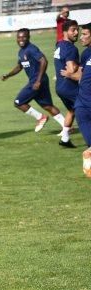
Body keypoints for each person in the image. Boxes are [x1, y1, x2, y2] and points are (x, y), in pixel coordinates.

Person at [2, 28, 66, 133]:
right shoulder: (21, 52)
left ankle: (40, 117)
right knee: (47, 106)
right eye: (19, 37)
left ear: (28, 37)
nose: (21, 39)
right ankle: (67, 127)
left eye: (24, 37)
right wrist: (8, 75)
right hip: (39, 81)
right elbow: (19, 67)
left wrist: (38, 80)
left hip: (37, 81)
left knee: (18, 102)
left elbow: (44, 61)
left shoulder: (31, 49)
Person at [60, 22, 91, 176]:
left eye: (85, 34)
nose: (81, 37)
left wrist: (70, 74)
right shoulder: (85, 54)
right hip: (83, 105)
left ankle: (88, 163)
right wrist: (72, 74)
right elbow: (83, 76)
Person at [54, 20, 80, 148]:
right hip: (69, 86)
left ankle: (65, 139)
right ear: (65, 32)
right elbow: (70, 69)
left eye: (77, 30)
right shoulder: (71, 48)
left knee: (72, 110)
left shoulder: (59, 44)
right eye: (73, 30)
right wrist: (80, 68)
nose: (76, 33)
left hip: (59, 86)